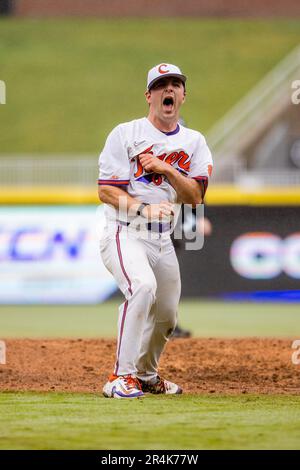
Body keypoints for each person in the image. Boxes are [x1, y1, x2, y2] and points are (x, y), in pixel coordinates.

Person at [98, 63, 213, 398]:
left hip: (161, 238)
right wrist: (142, 208)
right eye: (162, 84)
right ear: (149, 95)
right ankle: (120, 376)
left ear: (183, 96)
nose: (169, 89)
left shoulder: (195, 141)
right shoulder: (125, 133)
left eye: (176, 84)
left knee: (167, 314)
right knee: (142, 287)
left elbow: (195, 197)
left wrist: (166, 169)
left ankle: (147, 375)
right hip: (125, 230)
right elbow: (106, 190)